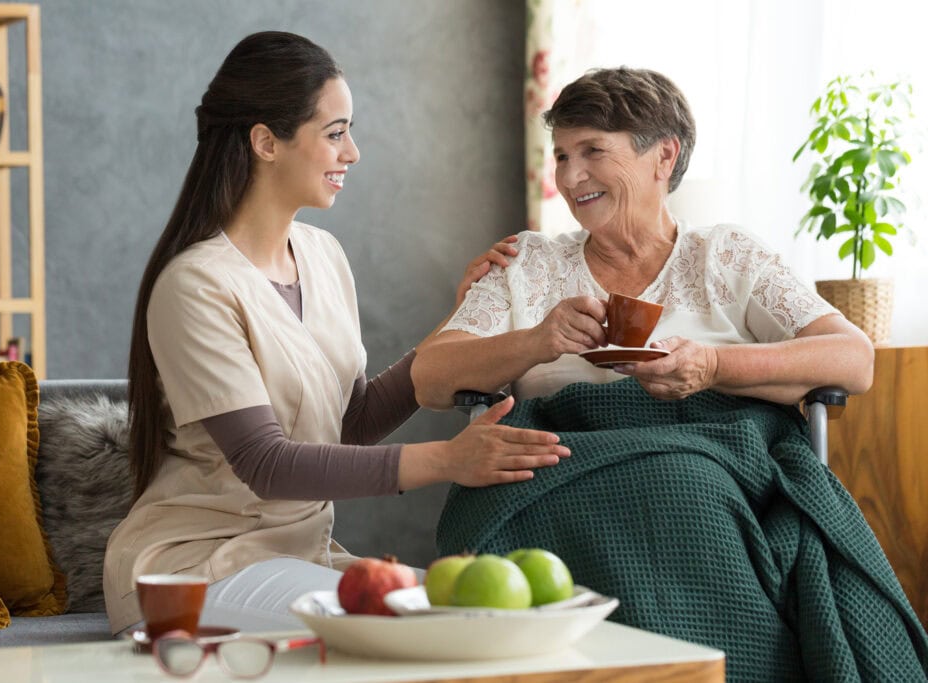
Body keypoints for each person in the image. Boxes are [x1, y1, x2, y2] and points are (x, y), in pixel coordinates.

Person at [413, 68, 928, 680]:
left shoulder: (726, 255)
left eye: (592, 151)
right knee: (665, 489)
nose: (570, 177)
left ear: (663, 156)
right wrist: (535, 341)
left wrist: (711, 366)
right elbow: (430, 376)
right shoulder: (529, 263)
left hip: (710, 462)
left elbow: (852, 358)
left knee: (686, 486)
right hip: (559, 468)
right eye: (562, 156)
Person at [102, 31, 569, 636]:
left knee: (476, 613)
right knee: (432, 626)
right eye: (335, 133)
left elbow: (349, 423)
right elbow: (266, 464)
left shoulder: (323, 256)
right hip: (196, 571)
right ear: (266, 142)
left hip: (301, 558)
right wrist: (449, 460)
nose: (353, 152)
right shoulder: (195, 285)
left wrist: (457, 325)